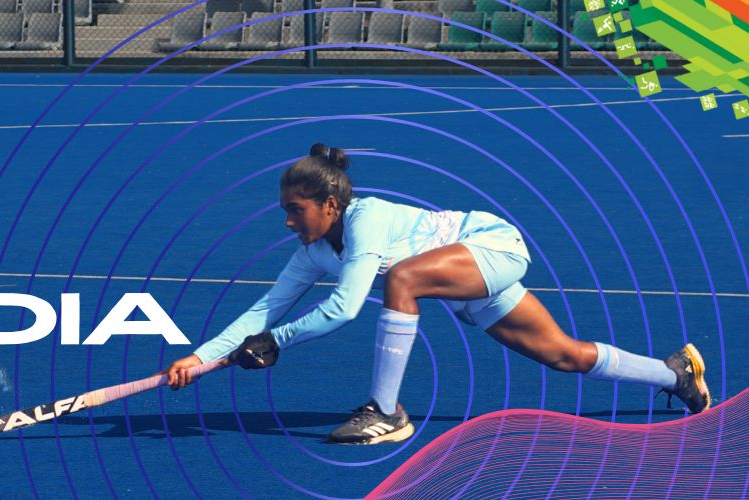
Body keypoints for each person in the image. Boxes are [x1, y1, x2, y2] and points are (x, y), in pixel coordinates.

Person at [162, 143, 712, 445]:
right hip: (458, 280)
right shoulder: (311, 254)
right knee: (563, 355)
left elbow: (345, 308)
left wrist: (276, 341)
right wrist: (200, 357)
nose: (287, 221)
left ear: (330, 205)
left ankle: (386, 412)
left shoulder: (366, 219)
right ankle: (676, 374)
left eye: (295, 210)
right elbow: (263, 311)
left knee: (401, 280)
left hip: (491, 245)